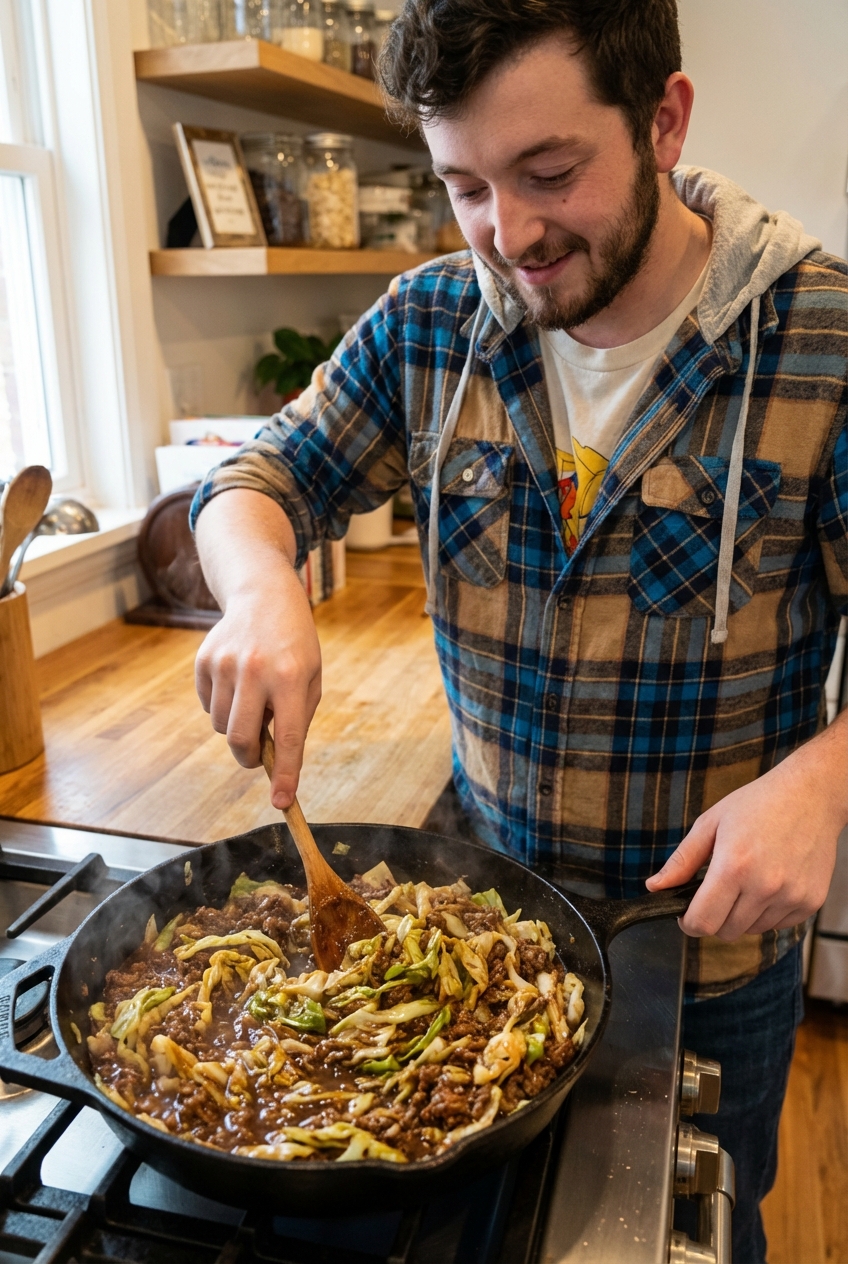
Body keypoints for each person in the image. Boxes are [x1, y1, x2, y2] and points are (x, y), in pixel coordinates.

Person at [190, 2, 847, 1258]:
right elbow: (252, 484)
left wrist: (821, 781)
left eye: (549, 172)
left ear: (663, 119)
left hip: (705, 965)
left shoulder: (816, 343)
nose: (509, 234)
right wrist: (264, 589)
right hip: (476, 920)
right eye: (463, 186)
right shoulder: (431, 322)